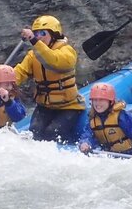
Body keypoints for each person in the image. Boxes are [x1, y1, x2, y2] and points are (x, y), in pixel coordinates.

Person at [15, 15, 86, 143]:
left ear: (54, 34)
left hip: (69, 107)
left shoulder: (67, 51)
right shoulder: (33, 55)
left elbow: (53, 61)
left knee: (52, 133)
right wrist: (4, 82)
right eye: (36, 34)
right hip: (45, 106)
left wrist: (33, 40)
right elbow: (21, 71)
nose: (39, 37)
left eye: (43, 33)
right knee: (34, 132)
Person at [78, 83, 132, 155]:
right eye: (95, 100)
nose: (98, 103)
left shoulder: (123, 117)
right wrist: (85, 143)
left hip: (129, 154)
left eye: (101, 100)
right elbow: (87, 136)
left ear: (111, 102)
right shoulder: (92, 120)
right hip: (109, 156)